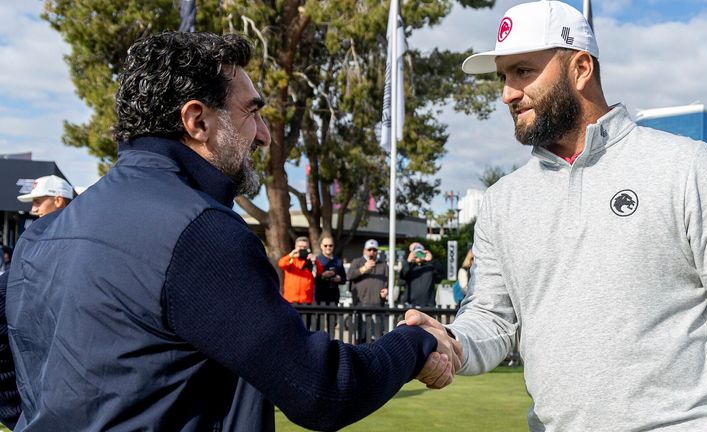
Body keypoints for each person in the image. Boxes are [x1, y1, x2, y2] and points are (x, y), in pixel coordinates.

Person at [1, 32, 460, 431]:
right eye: (252, 113)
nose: (263, 135)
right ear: (197, 120)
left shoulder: (42, 234)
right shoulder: (199, 233)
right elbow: (319, 389)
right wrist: (415, 343)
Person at [406, 1, 707, 431]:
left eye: (523, 71)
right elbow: (494, 317)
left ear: (580, 68)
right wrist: (456, 342)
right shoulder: (503, 201)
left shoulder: (686, 166)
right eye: (503, 76)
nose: (507, 92)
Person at [348, 239, 389, 343]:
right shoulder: (357, 262)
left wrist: (386, 291)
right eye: (369, 249)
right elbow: (349, 276)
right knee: (360, 338)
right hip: (360, 306)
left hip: (377, 307)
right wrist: (363, 269)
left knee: (377, 339)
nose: (371, 252)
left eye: (374, 250)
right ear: (364, 251)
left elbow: (387, 283)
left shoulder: (383, 265)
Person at [278, 236, 322, 304]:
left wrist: (315, 261)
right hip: (290, 299)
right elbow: (281, 264)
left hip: (307, 300)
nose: (302, 249)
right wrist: (291, 255)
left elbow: (320, 271)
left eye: (305, 247)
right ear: (295, 247)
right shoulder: (291, 260)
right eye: (300, 247)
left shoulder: (311, 261)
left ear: (308, 248)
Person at [400, 242, 445, 307]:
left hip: (428, 305)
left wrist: (432, 260)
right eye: (416, 254)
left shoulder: (430, 266)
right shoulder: (409, 267)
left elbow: (441, 274)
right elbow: (402, 278)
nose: (418, 255)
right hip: (410, 305)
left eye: (420, 253)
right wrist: (408, 261)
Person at [314, 235, 346, 305]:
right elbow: (312, 280)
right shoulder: (316, 260)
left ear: (333, 246)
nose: (328, 247)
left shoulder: (338, 261)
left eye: (330, 245)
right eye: (325, 245)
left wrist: (339, 279)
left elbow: (344, 279)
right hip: (320, 296)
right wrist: (323, 276)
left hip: (334, 296)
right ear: (321, 246)